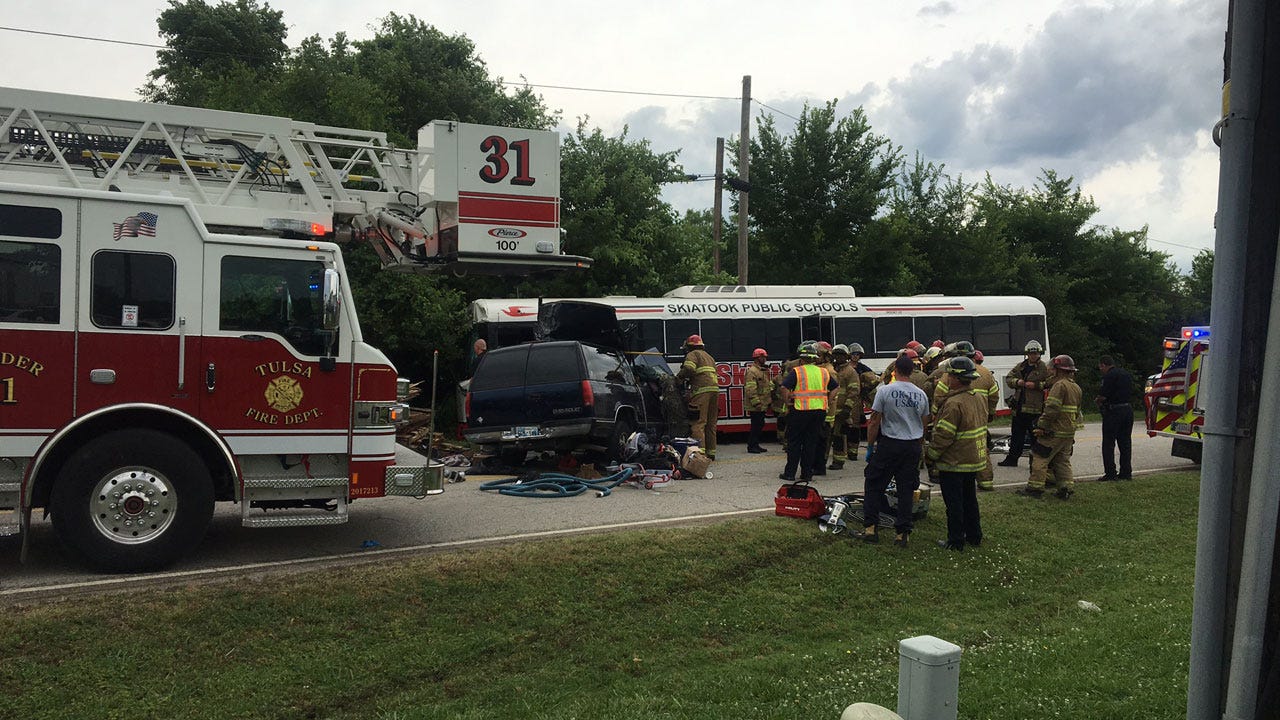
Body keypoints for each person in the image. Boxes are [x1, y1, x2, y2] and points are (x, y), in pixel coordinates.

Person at [860, 353, 931, 547]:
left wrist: (870, 446)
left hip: (890, 444)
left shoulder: (885, 391)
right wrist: (918, 444)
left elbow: (874, 421)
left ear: (895, 370)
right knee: (906, 490)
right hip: (912, 445)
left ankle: (870, 529)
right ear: (911, 371)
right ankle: (902, 534)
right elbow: (924, 423)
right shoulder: (921, 394)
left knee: (874, 484)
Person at [926, 356, 988, 551]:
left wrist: (931, 455)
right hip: (972, 459)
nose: (947, 379)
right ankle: (974, 536)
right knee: (970, 500)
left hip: (954, 462)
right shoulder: (978, 397)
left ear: (957, 378)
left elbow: (944, 435)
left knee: (954, 504)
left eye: (950, 376)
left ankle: (955, 541)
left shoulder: (953, 403)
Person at [1019, 354, 1083, 499]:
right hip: (1068, 432)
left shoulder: (1059, 386)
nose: (1050, 371)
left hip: (1054, 430)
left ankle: (1035, 489)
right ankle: (1065, 489)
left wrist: (1041, 425)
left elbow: (1052, 409)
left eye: (1052, 369)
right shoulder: (1076, 387)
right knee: (1062, 460)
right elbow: (1077, 411)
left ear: (1058, 370)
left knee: (1039, 456)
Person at [778, 342, 839, 482]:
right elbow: (835, 388)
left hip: (800, 411)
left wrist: (787, 401)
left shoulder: (797, 371)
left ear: (802, 359)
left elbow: (784, 388)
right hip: (819, 412)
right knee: (810, 443)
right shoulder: (823, 372)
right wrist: (828, 400)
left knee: (794, 443)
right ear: (814, 358)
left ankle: (790, 473)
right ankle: (807, 474)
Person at [999, 340, 1050, 468]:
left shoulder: (1044, 368)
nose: (1033, 356)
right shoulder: (1021, 366)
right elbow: (1009, 378)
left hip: (1035, 410)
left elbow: (1051, 383)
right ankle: (1012, 459)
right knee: (1017, 436)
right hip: (1019, 408)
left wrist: (1036, 385)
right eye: (1031, 354)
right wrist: (1017, 382)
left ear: (1039, 354)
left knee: (1035, 438)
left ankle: (1035, 462)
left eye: (1036, 353)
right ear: (1027, 354)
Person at [677, 334, 720, 460]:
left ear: (689, 347)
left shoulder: (692, 354)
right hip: (714, 391)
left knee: (698, 423)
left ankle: (699, 455)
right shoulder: (709, 357)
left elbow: (689, 369)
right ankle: (711, 453)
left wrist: (679, 377)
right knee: (711, 424)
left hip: (701, 392)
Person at [1096, 355, 1134, 480]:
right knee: (1125, 443)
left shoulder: (1109, 376)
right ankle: (1126, 473)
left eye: (1100, 367)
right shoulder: (1126, 374)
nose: (1100, 369)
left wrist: (1097, 401)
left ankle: (1110, 473)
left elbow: (1103, 396)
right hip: (1127, 410)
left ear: (1103, 365)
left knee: (1108, 443)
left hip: (1113, 411)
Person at [827, 344, 858, 470]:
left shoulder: (850, 371)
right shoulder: (831, 369)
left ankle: (838, 461)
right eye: (836, 355)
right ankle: (821, 461)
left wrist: (847, 408)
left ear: (846, 357)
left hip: (841, 410)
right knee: (826, 437)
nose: (838, 357)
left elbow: (854, 391)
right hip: (830, 409)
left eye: (841, 355)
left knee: (839, 437)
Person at [744, 347, 774, 454]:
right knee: (756, 426)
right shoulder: (752, 371)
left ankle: (755, 444)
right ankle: (752, 446)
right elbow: (750, 389)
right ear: (757, 358)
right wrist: (756, 402)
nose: (765, 359)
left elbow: (766, 386)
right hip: (756, 405)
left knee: (759, 424)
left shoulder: (762, 371)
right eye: (763, 357)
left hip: (762, 404)